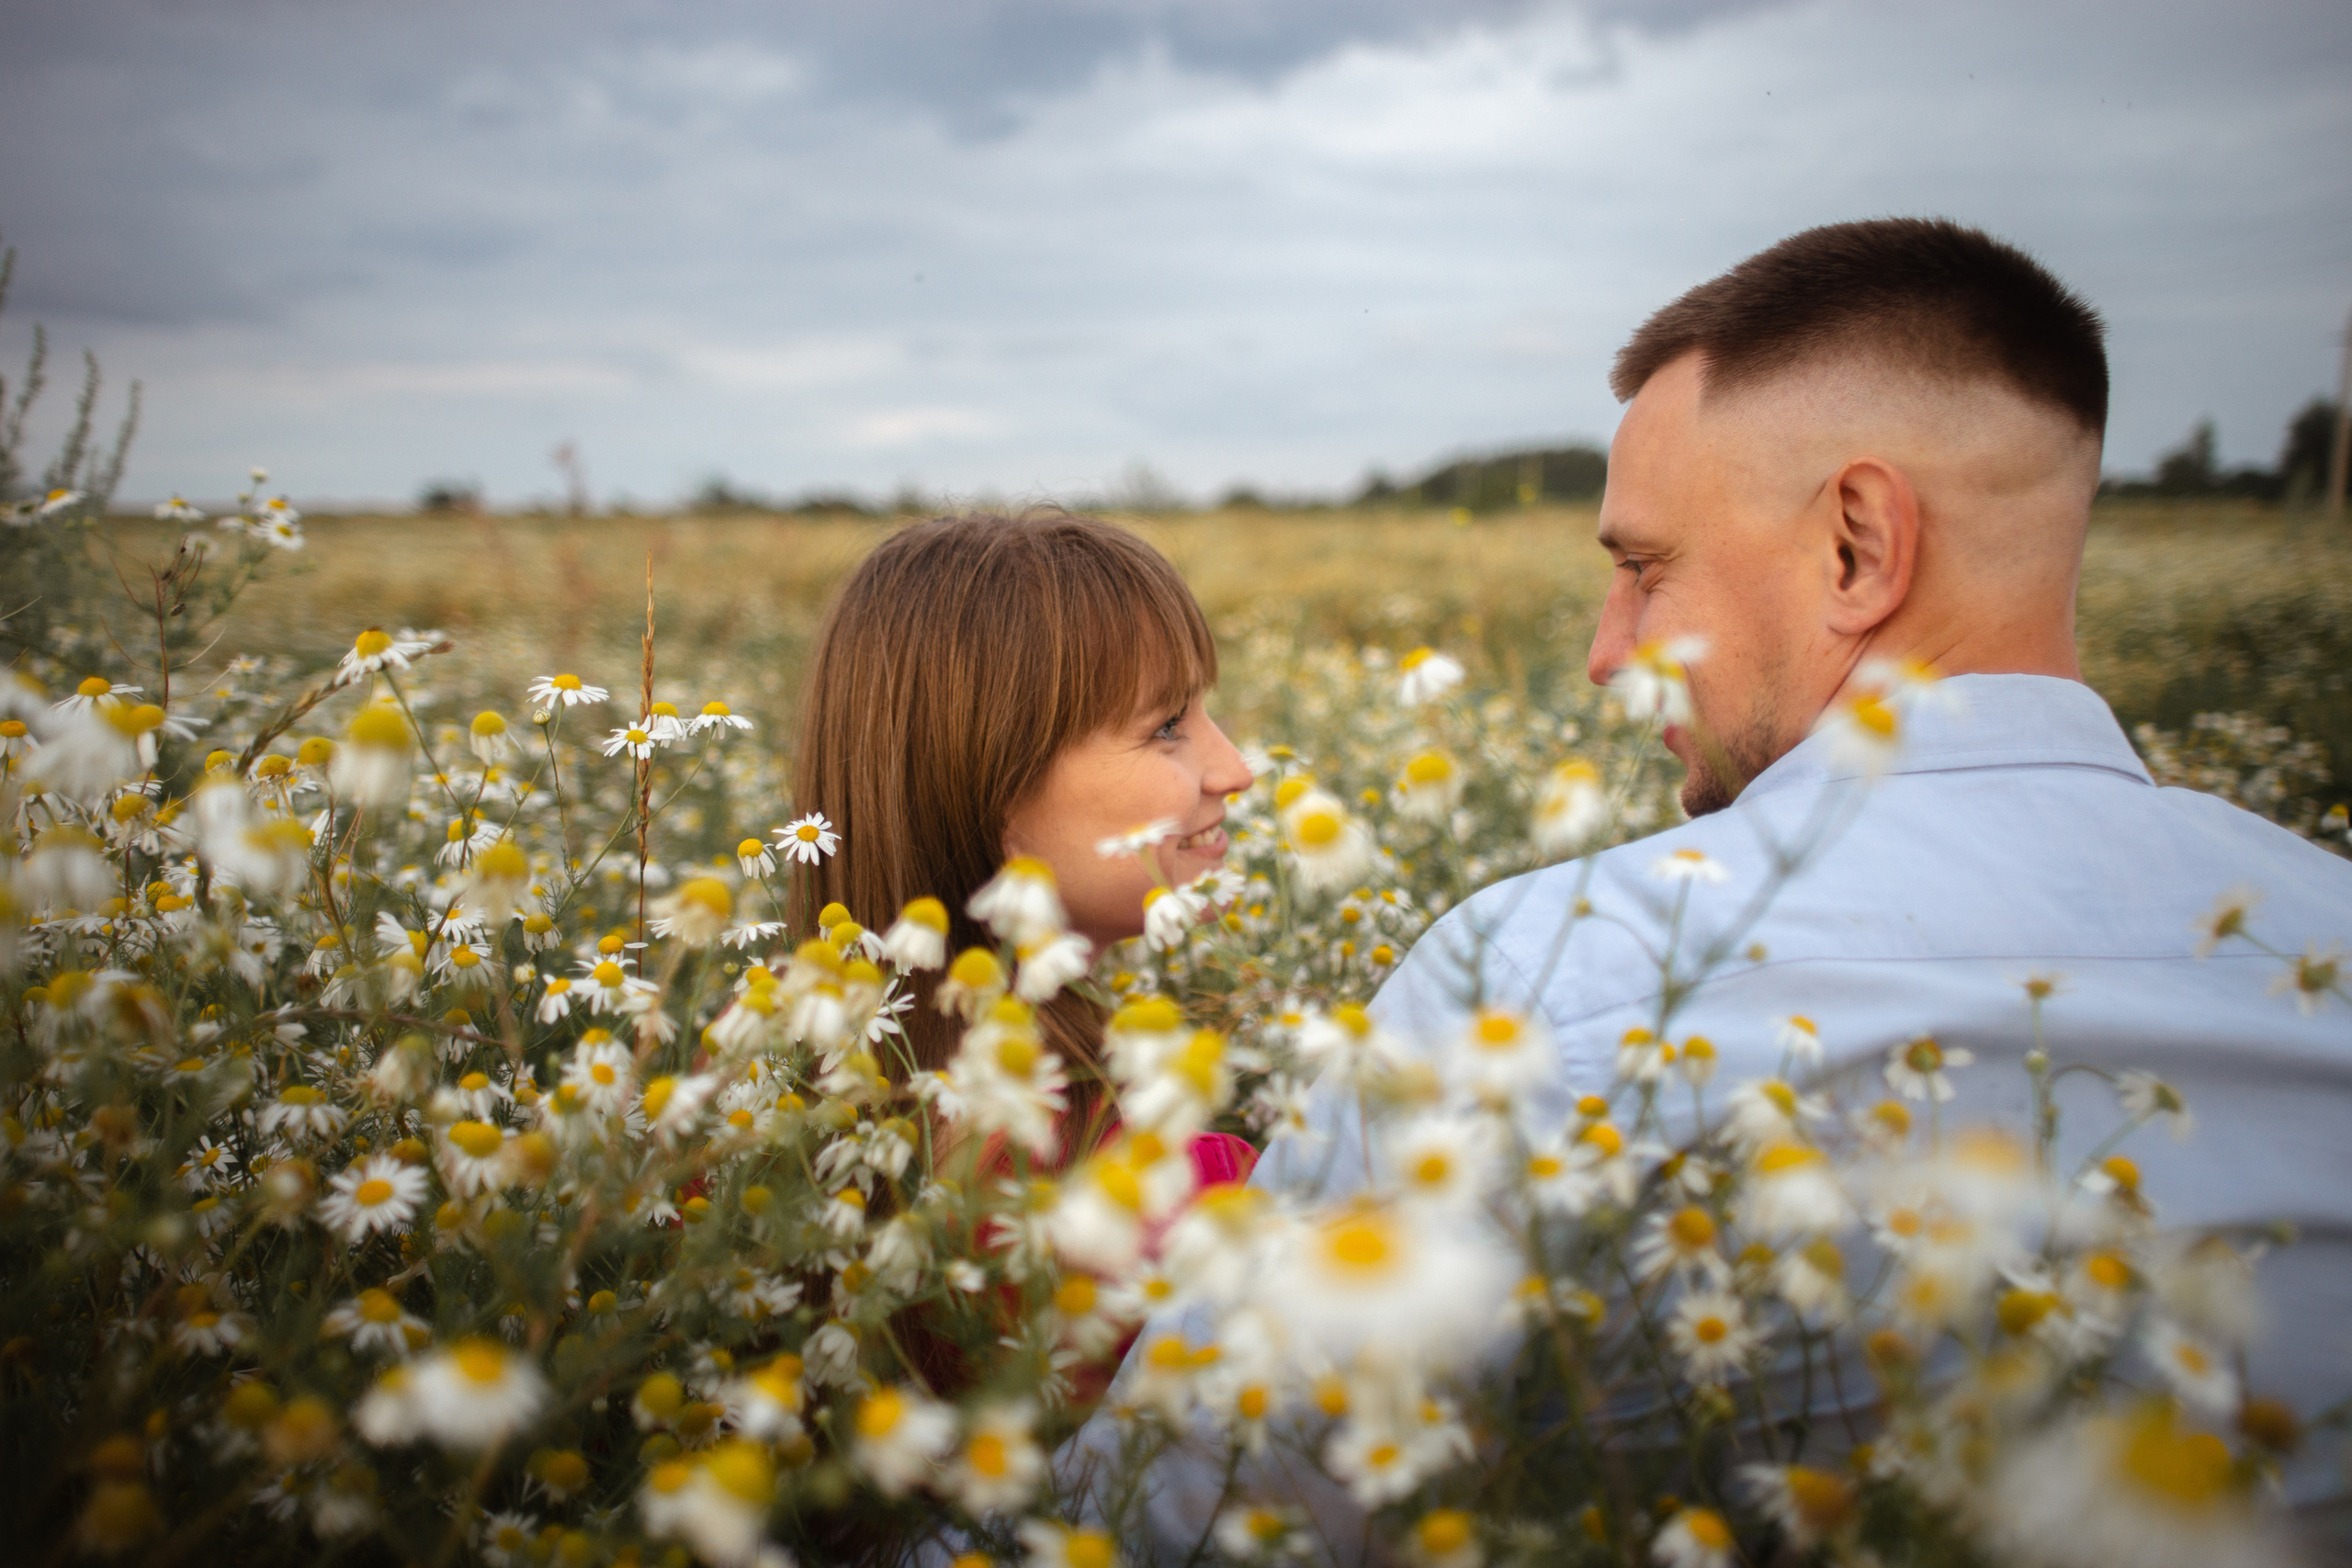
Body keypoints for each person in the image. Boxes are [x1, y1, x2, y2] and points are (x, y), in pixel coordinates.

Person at [1076, 218, 2352, 1551]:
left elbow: (1178, 1517)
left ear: (1858, 545)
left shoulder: (1539, 985)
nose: (1606, 652)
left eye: (1643, 570)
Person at [792, 505, 1260, 1186]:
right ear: (990, 793)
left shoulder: (746, 1104)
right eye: (1166, 726)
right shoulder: (1146, 1195)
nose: (1236, 770)